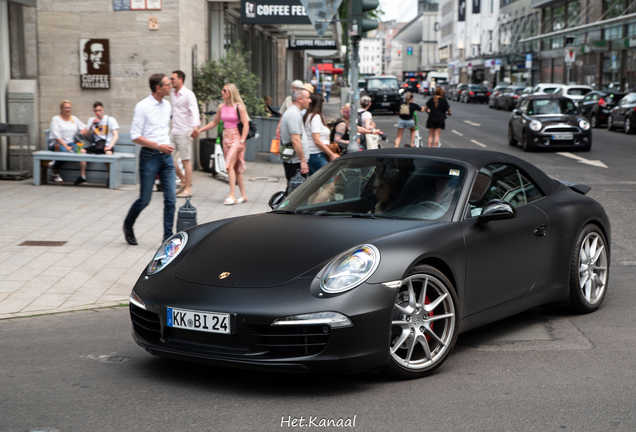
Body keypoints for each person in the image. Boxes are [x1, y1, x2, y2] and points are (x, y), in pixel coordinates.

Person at [123, 73, 176, 246]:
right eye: (168, 84)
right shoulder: (142, 106)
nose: (171, 87)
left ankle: (167, 238)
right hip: (149, 157)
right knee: (144, 200)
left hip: (166, 158)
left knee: (171, 199)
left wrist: (166, 145)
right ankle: (128, 225)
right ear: (158, 88)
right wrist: (158, 146)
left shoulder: (167, 105)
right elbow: (135, 136)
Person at [197, 83, 250, 205]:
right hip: (226, 138)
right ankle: (244, 195)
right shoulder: (221, 107)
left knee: (229, 166)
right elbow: (215, 122)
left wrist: (242, 141)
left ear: (231, 92)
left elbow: (246, 124)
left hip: (237, 138)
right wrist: (200, 130)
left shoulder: (239, 107)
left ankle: (232, 195)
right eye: (222, 90)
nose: (222, 92)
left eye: (224, 90)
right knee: (235, 168)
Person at [169, 70, 200, 198]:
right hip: (174, 131)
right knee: (166, 158)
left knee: (186, 161)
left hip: (185, 132)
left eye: (173, 78)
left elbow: (194, 111)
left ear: (180, 79)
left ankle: (188, 189)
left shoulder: (188, 94)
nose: (171, 81)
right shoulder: (173, 94)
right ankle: (183, 180)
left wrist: (195, 127)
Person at [48, 100, 88, 185]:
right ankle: (55, 172)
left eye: (69, 107)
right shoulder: (56, 119)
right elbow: (56, 136)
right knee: (64, 151)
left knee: (82, 151)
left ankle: (82, 177)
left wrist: (81, 133)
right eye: (66, 107)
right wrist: (66, 146)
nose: (68, 109)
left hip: (71, 143)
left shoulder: (74, 119)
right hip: (57, 144)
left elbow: (84, 127)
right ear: (61, 109)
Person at [280, 88, 311, 189]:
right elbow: (295, 140)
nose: (310, 100)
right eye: (308, 98)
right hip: (295, 162)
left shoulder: (294, 112)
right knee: (295, 192)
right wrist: (302, 160)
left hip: (294, 161)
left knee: (293, 190)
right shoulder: (293, 114)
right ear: (300, 99)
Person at [303, 93, 339, 175]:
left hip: (312, 154)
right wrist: (331, 154)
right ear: (319, 103)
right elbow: (317, 140)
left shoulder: (308, 116)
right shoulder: (315, 117)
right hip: (317, 154)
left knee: (315, 185)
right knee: (329, 182)